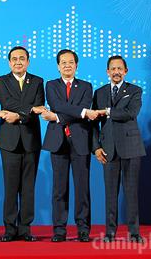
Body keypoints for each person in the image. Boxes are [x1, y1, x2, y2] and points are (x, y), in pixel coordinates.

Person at [41, 49, 96, 242]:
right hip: (58, 142)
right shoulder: (51, 85)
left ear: (76, 65)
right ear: (58, 66)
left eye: (70, 62)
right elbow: (58, 105)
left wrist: (56, 117)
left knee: (82, 188)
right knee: (59, 189)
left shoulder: (86, 86)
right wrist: (82, 112)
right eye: (63, 62)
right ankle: (59, 230)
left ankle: (83, 229)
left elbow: (67, 109)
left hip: (80, 141)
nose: (67, 65)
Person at [92, 55, 145, 243]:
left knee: (131, 193)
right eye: (113, 69)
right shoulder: (99, 93)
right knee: (110, 194)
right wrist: (96, 147)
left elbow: (130, 113)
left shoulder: (135, 90)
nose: (116, 72)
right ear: (107, 72)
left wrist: (107, 111)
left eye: (119, 69)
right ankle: (110, 233)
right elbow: (93, 123)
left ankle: (134, 233)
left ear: (126, 71)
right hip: (108, 149)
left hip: (131, 148)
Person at [0, 46, 45, 242]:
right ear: (9, 63)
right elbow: (6, 103)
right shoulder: (1, 81)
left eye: (22, 58)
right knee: (10, 186)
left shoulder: (38, 81)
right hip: (9, 141)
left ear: (28, 62)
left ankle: (25, 229)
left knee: (28, 187)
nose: (18, 62)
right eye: (14, 59)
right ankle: (9, 229)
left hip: (31, 139)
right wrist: (30, 110)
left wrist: (19, 116)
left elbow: (40, 105)